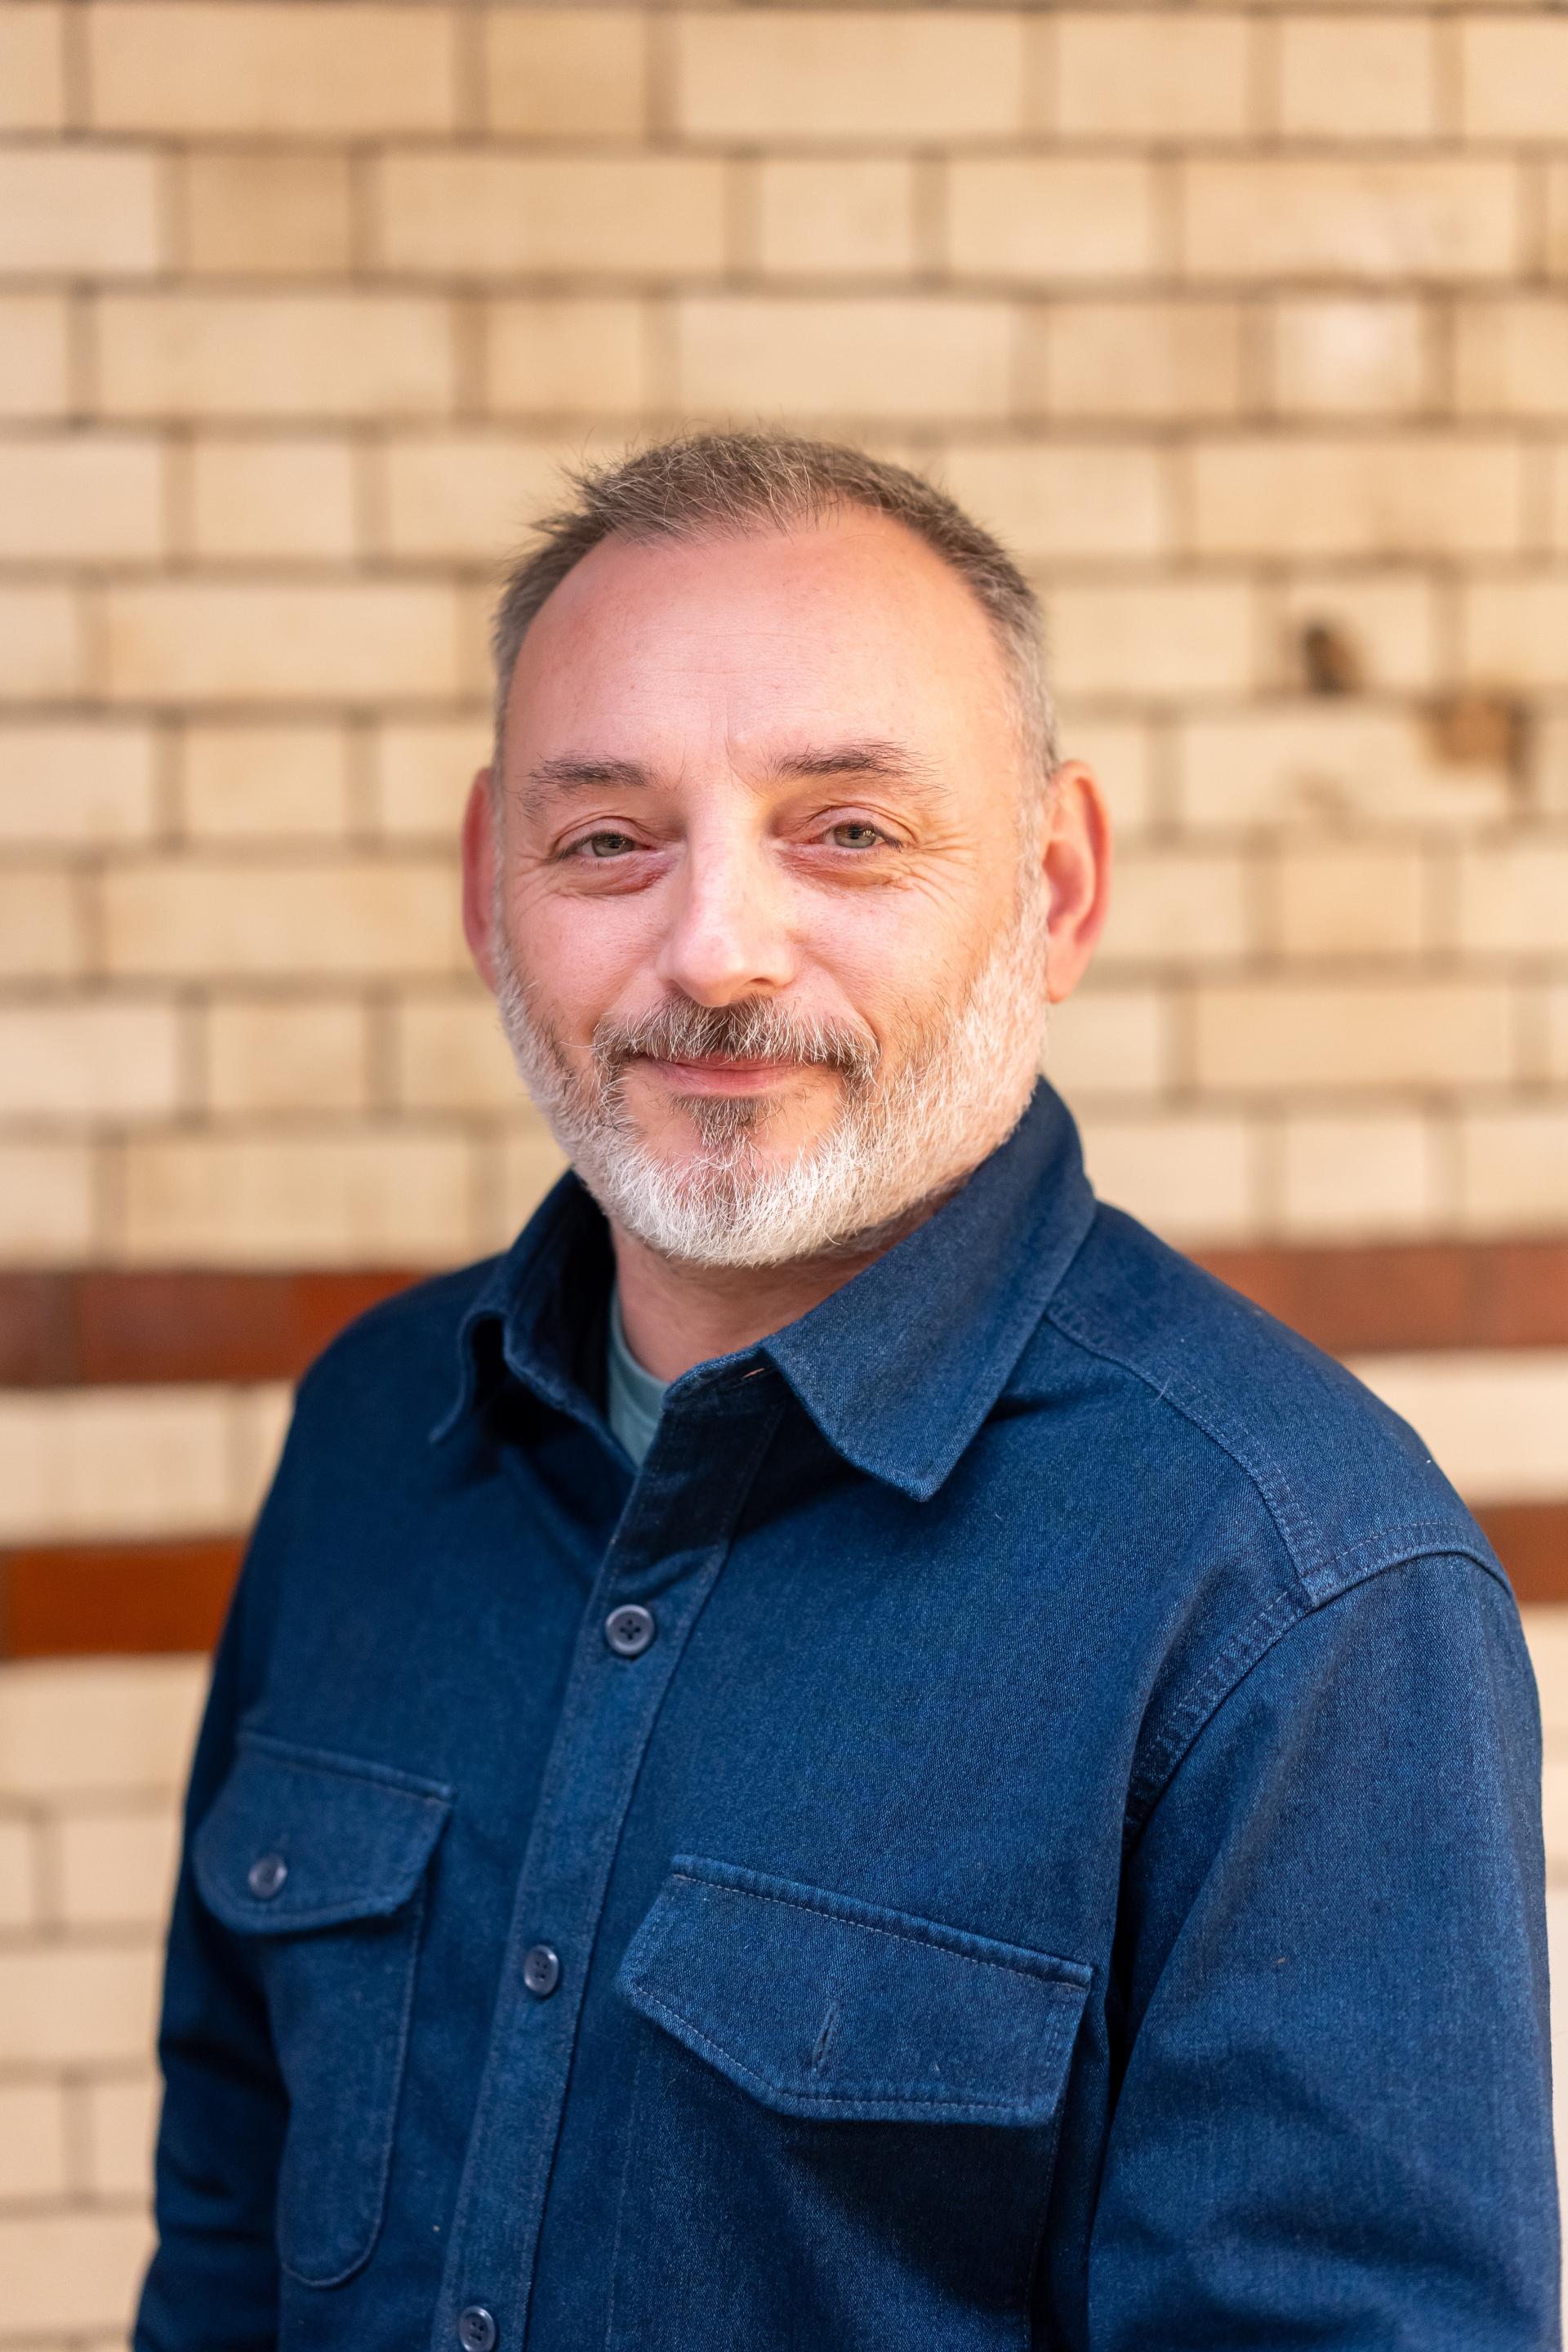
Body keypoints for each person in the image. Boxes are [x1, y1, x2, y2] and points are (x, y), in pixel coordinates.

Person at [136, 433, 1557, 2352]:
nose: (716, 951)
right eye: (609, 839)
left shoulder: (1299, 1595)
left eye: (849, 831)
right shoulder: (374, 1438)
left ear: (1053, 890)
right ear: (493, 886)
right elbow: (229, 2206)